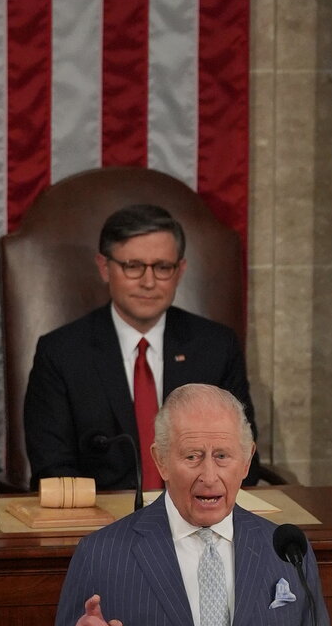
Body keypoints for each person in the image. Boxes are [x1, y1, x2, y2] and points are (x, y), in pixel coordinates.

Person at [38, 383, 332, 626]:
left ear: (247, 460)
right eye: (192, 457)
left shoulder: (286, 549)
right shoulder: (102, 554)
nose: (209, 476)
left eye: (222, 456)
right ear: (161, 461)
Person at [23, 202, 260, 492]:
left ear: (180, 271)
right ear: (104, 267)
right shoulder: (61, 353)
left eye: (162, 267)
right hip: (100, 515)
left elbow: (243, 457)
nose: (149, 282)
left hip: (198, 509)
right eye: (133, 267)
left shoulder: (216, 346)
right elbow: (53, 468)